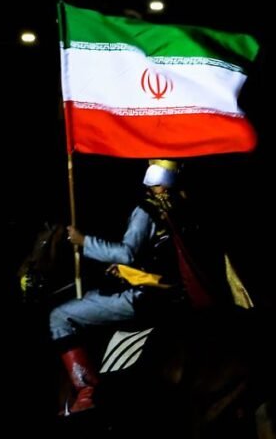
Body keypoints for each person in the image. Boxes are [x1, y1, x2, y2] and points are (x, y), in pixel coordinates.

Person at [49, 159, 191, 414]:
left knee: (59, 316)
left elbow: (126, 253)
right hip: (177, 292)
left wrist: (84, 241)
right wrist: (127, 271)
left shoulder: (147, 210)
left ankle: (85, 392)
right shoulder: (180, 205)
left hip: (145, 297)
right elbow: (159, 258)